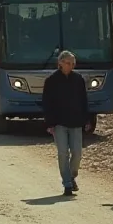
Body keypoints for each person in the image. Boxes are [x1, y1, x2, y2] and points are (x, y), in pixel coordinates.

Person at [40, 51, 89, 197]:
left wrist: (86, 119)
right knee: (62, 153)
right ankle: (67, 184)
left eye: (73, 63)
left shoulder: (78, 79)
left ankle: (72, 176)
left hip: (76, 122)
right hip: (59, 123)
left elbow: (84, 101)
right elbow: (47, 103)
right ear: (60, 63)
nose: (71, 65)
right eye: (68, 62)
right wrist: (49, 123)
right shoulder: (51, 80)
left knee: (77, 153)